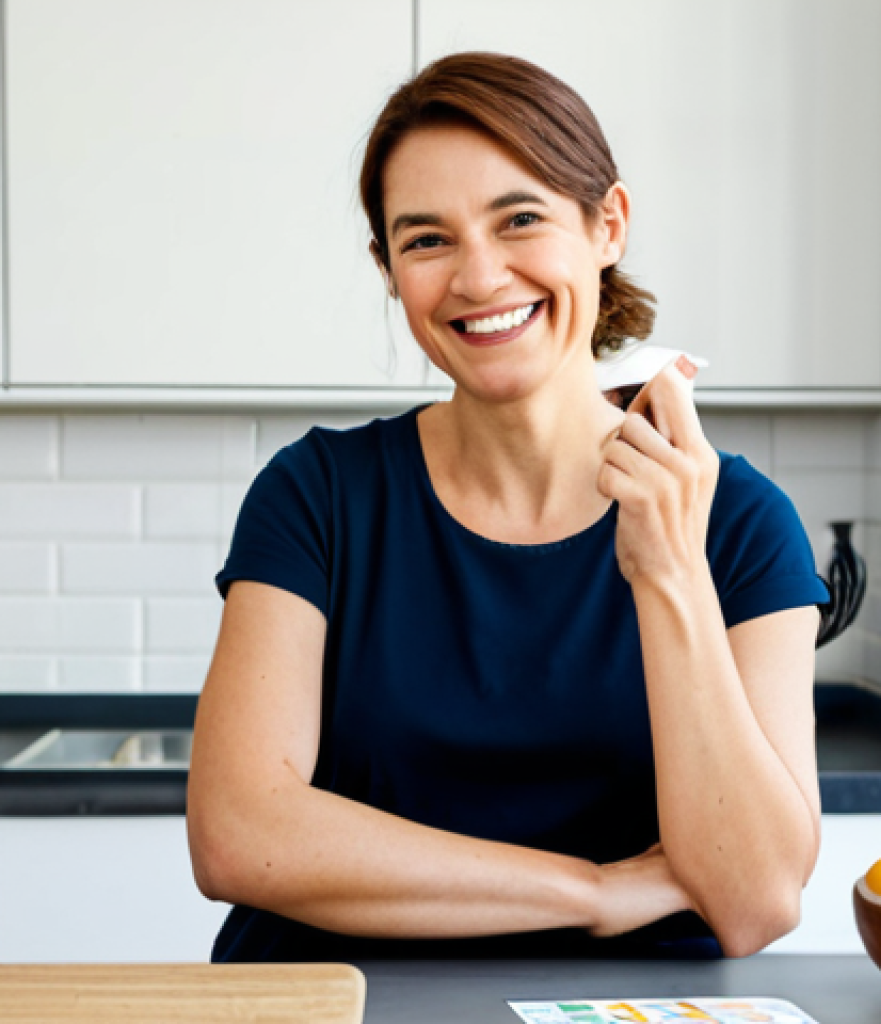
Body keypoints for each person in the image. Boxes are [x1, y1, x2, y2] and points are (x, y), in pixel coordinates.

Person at [186, 52, 829, 963]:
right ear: (388, 269)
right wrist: (593, 889)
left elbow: (756, 897)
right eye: (426, 240)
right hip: (338, 1005)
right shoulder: (318, 495)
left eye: (519, 219)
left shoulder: (738, 522)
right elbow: (237, 832)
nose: (479, 279)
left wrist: (670, 570)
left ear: (608, 224)